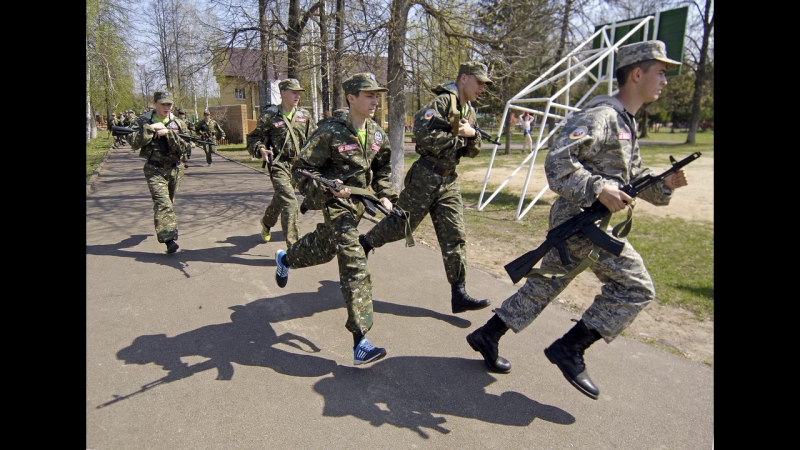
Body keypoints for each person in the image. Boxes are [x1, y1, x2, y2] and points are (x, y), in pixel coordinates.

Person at [465, 40, 688, 400]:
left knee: (544, 286)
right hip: (581, 224)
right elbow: (557, 164)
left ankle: (487, 335)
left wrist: (665, 184)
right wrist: (599, 189)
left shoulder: (626, 123)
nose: (665, 81)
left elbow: (634, 179)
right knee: (636, 287)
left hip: (593, 226)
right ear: (636, 73)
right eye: (660, 72)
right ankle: (570, 348)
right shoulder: (600, 116)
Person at [273, 73, 395, 366]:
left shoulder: (377, 133)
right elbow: (300, 172)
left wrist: (385, 194)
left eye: (377, 95)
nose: (375, 101)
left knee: (323, 249)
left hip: (358, 208)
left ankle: (286, 260)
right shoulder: (329, 133)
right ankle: (360, 342)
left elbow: (383, 169)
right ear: (352, 98)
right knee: (354, 264)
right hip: (335, 206)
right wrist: (328, 188)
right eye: (368, 95)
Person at [358, 61, 493, 315]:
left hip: (449, 180)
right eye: (479, 82)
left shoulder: (469, 111)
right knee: (400, 226)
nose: (482, 88)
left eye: (485, 84)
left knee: (455, 235)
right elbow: (423, 135)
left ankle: (459, 293)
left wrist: (471, 134)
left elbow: (474, 150)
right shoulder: (441, 103)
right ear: (464, 78)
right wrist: (460, 138)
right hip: (425, 177)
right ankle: (365, 242)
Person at [247, 78, 317, 246]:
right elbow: (253, 138)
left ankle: (266, 222)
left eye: (299, 93)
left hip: (299, 167)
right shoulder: (270, 116)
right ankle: (294, 248)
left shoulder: (304, 116)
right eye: (294, 92)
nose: (297, 96)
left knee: (280, 200)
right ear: (283, 93)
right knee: (290, 203)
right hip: (279, 165)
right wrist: (260, 149)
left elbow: (315, 139)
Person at [123, 90, 192, 254]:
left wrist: (168, 134)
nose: (167, 107)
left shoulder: (178, 123)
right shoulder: (144, 120)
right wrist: (149, 129)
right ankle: (169, 239)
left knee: (168, 202)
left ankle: (167, 227)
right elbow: (132, 141)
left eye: (169, 104)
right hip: (154, 168)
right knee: (163, 203)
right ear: (155, 104)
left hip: (175, 169)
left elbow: (186, 147)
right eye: (163, 104)